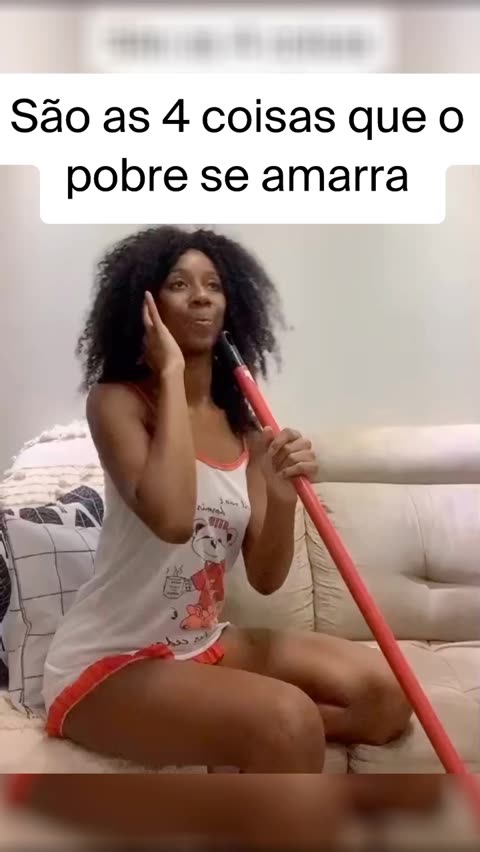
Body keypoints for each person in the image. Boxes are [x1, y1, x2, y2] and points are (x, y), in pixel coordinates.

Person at [42, 226, 411, 773]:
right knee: (287, 720)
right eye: (179, 284)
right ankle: (268, 738)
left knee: (386, 696)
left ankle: (247, 735)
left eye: (213, 285)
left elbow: (265, 576)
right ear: (144, 306)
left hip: (201, 641)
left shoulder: (247, 432)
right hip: (112, 658)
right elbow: (172, 519)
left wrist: (280, 496)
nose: (201, 297)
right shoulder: (119, 404)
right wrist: (170, 373)